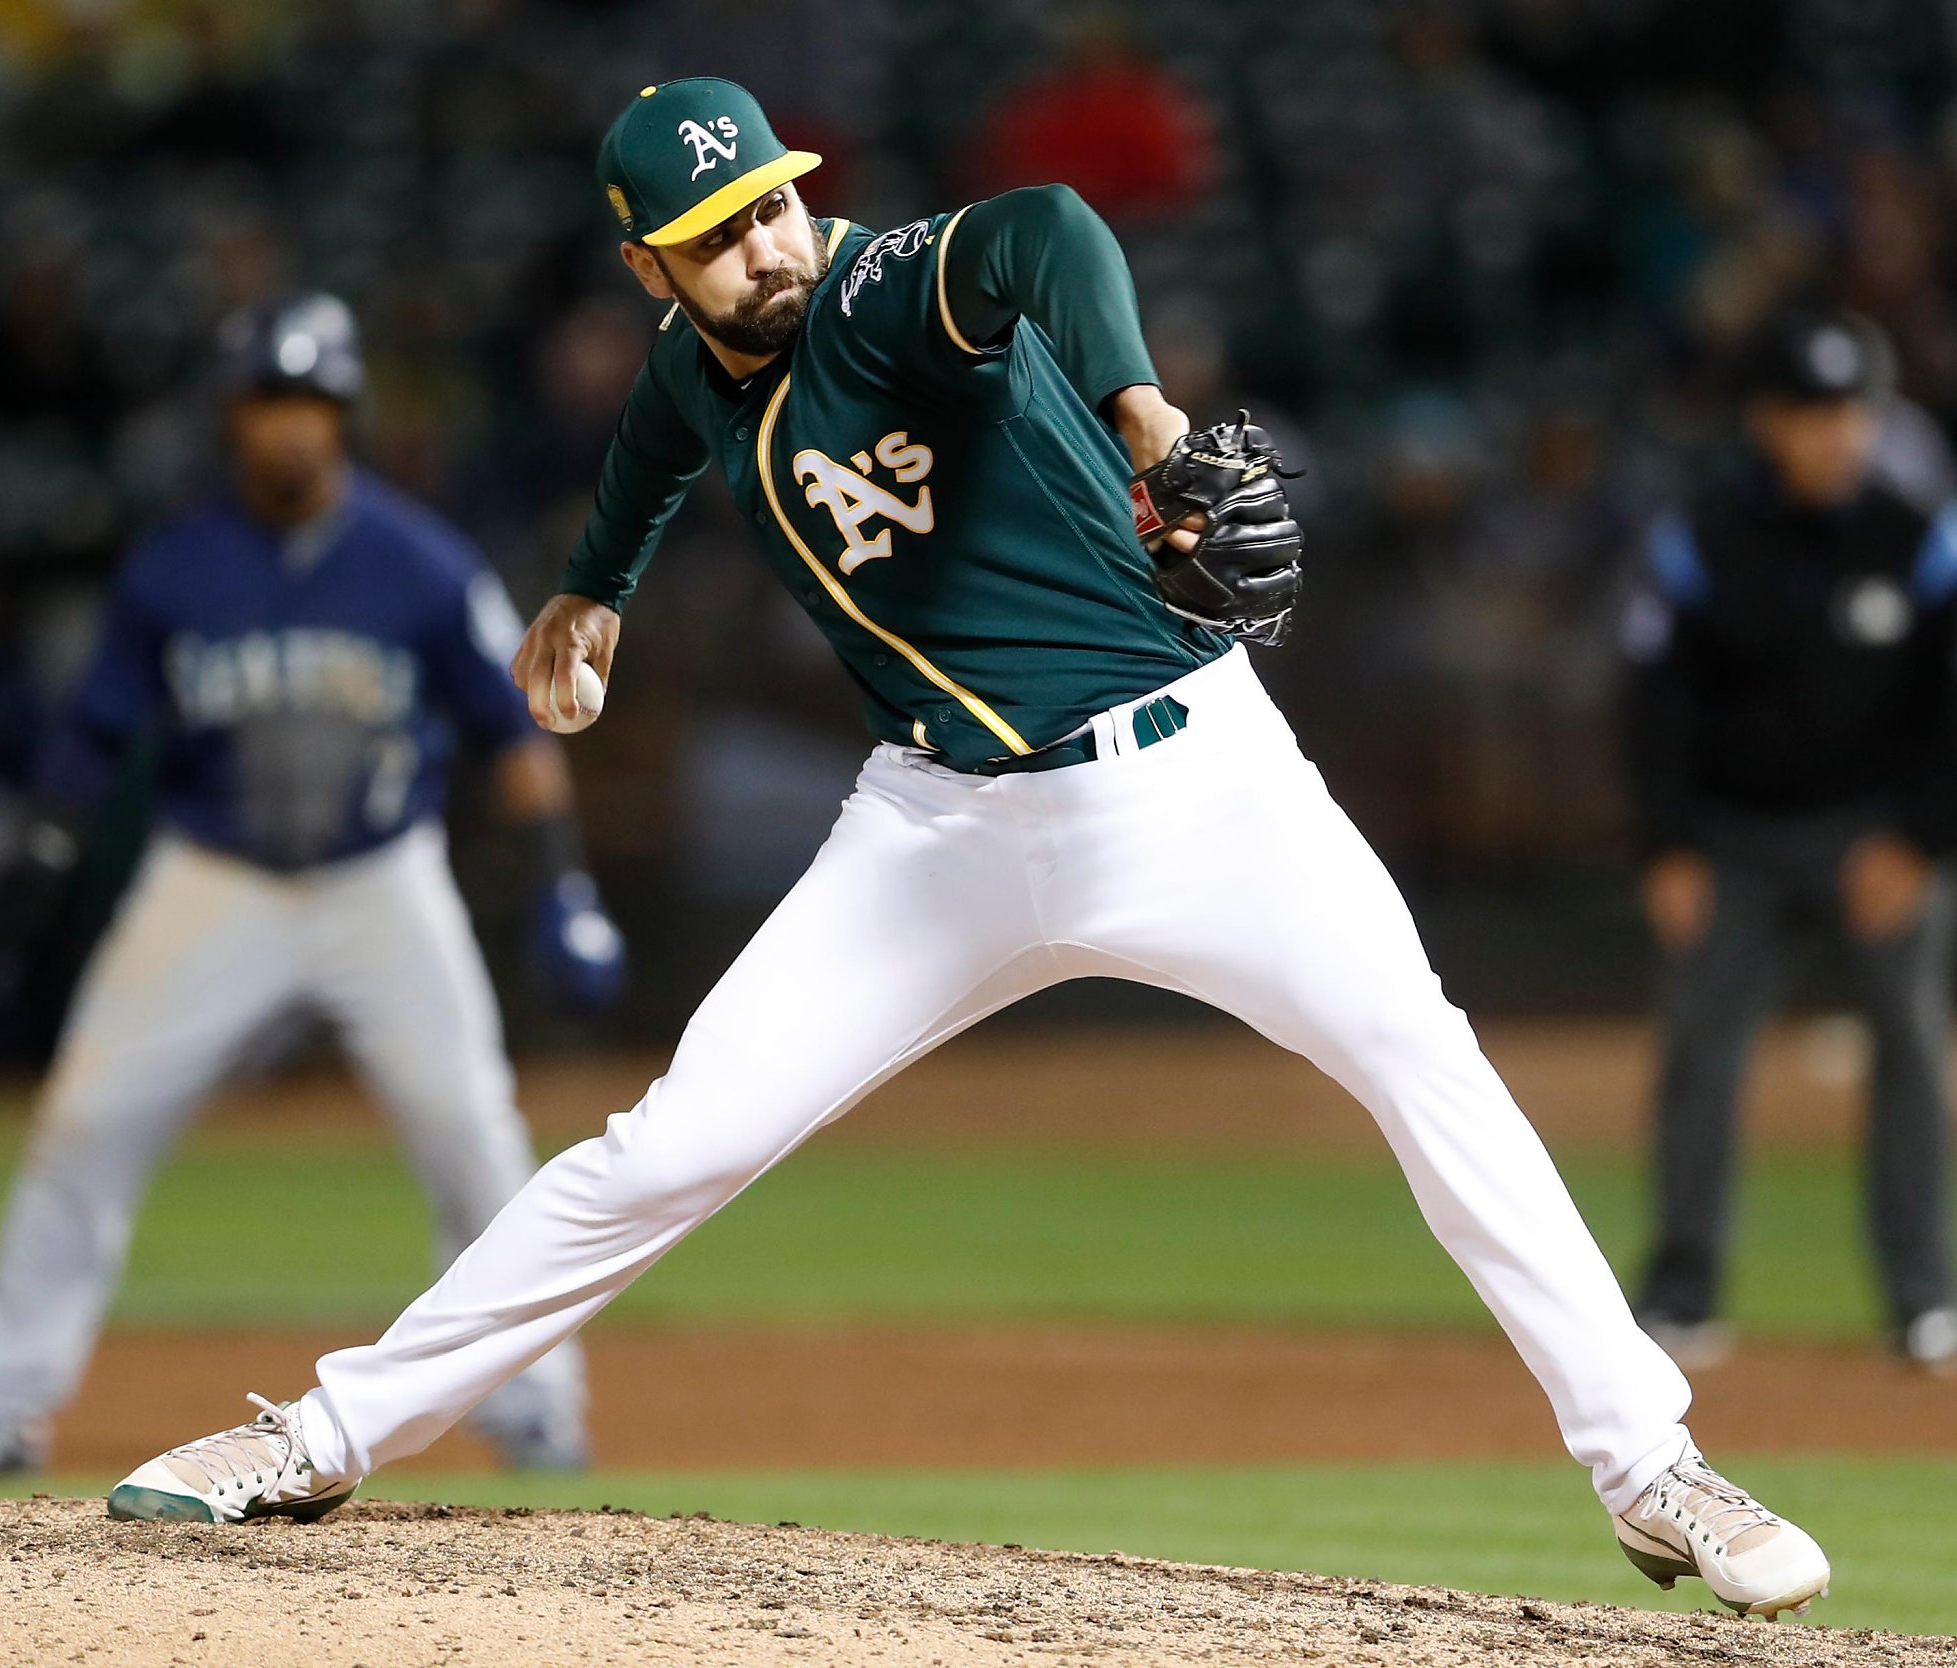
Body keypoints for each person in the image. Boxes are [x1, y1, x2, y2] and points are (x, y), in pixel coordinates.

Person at [108, 81, 1829, 1621]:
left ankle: (1649, 1470)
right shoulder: (695, 368)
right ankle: (326, 1432)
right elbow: (650, 452)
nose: (759, 242)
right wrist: (591, 584)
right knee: (667, 1145)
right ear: (650, 270)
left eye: (770, 199)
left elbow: (1046, 233)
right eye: (711, 235)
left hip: (1194, 781)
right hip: (935, 824)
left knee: (1421, 1064)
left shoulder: (870, 285)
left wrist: (1146, 420)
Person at [0, 293, 623, 1476]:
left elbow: (513, 738)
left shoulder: (418, 563)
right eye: (266, 404)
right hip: (212, 881)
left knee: (472, 1136)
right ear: (232, 417)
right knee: (85, 1124)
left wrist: (560, 885)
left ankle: (533, 1404)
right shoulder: (175, 567)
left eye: (309, 404)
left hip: (381, 882)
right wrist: (42, 860)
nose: (288, 429)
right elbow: (94, 735)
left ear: (342, 415)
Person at [1624, 306, 1957, 1374]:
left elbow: (1947, 705)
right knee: (1699, 1058)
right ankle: (1681, 1292)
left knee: (1909, 1049)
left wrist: (1914, 838)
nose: (1835, 433)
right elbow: (1653, 702)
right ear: (1763, 419)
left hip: (1875, 837)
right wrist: (1666, 846)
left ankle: (1920, 1297)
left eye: (1850, 409)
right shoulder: (1702, 535)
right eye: (1810, 412)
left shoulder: (1916, 534)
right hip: (1731, 840)